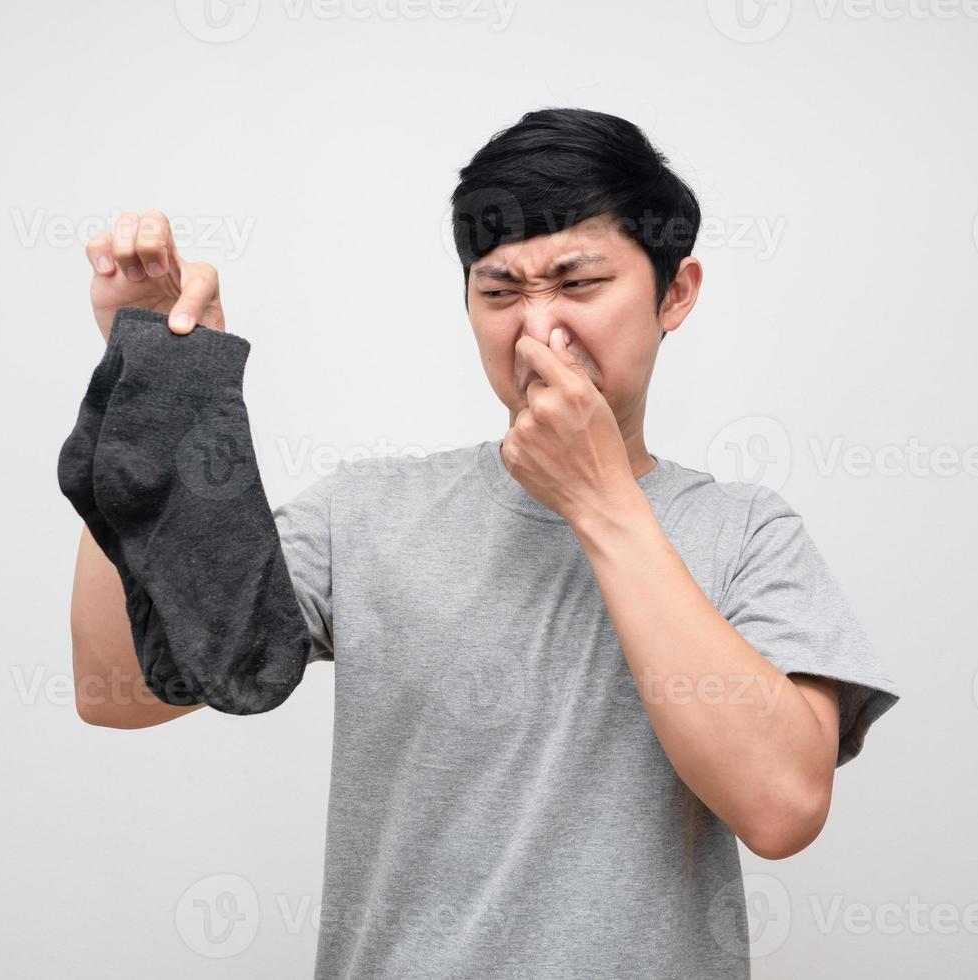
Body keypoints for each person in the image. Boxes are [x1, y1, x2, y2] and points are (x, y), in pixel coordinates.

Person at [68, 107, 901, 978]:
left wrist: (601, 501)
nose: (537, 330)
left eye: (578, 284)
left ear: (675, 292)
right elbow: (120, 690)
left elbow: (782, 809)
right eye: (500, 293)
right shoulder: (365, 512)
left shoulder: (745, 534)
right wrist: (142, 391)